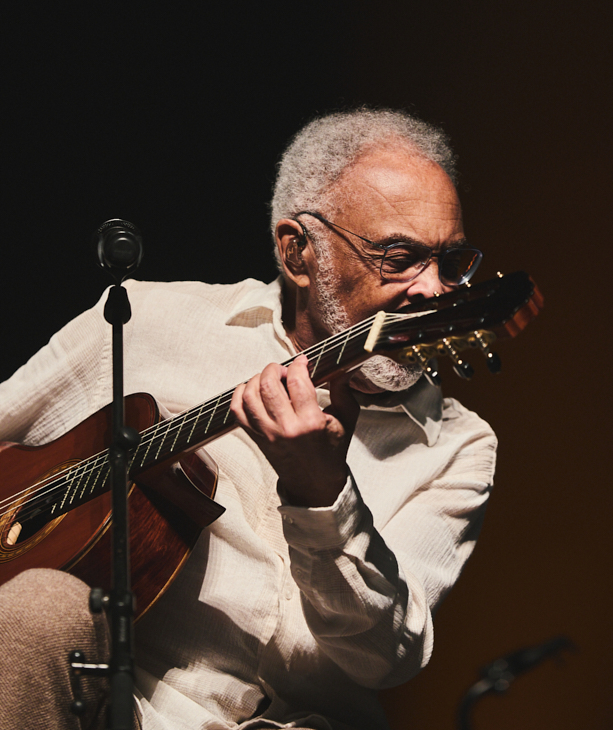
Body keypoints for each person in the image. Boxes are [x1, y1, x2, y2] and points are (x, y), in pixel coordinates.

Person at [0, 108, 497, 730]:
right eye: (398, 257)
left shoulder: (458, 444)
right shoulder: (144, 323)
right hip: (105, 710)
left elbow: (384, 659)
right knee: (40, 606)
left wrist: (323, 495)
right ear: (297, 253)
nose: (435, 290)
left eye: (451, 262)